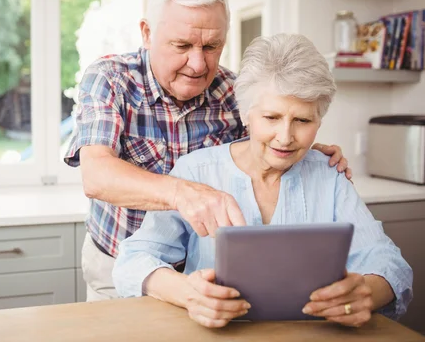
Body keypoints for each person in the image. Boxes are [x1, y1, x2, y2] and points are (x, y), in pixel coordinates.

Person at [64, 0, 351, 302]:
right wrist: (183, 194)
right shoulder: (110, 79)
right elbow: (97, 175)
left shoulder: (234, 91)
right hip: (118, 265)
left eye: (212, 46)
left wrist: (308, 148)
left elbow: (267, 145)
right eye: (182, 45)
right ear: (147, 33)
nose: (198, 64)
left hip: (203, 270)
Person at [112, 33, 413, 328]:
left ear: (319, 121)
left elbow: (389, 263)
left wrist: (366, 293)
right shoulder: (196, 171)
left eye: (303, 121)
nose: (285, 137)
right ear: (246, 114)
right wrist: (188, 293)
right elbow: (134, 259)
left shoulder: (329, 174)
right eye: (271, 117)